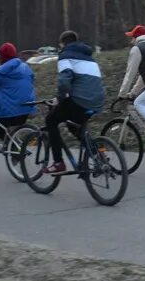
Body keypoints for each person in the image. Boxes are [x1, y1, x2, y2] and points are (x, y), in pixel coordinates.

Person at [45, 30, 105, 175]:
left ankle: (58, 162)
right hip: (97, 100)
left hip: (81, 100)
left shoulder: (65, 55)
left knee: (51, 120)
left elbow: (64, 81)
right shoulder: (89, 57)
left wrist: (58, 99)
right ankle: (98, 156)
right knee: (74, 124)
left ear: (62, 43)